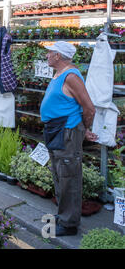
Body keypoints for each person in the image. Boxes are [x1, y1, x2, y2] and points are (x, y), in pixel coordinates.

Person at [40, 41, 98, 237]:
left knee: (69, 176)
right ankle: (64, 215)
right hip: (56, 130)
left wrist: (83, 129)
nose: (47, 55)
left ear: (58, 56)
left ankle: (70, 223)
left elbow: (89, 108)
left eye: (50, 53)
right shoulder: (58, 74)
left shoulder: (71, 76)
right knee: (59, 174)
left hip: (67, 131)